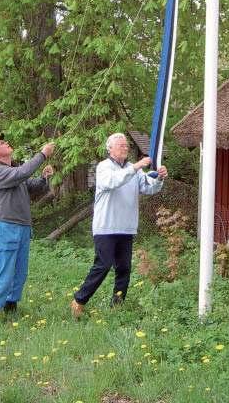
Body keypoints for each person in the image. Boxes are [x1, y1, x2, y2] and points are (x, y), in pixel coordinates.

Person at [71, 132, 167, 318]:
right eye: (121, 145)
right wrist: (136, 167)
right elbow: (112, 182)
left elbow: (149, 187)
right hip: (106, 226)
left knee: (124, 268)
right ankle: (79, 300)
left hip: (126, 227)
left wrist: (159, 178)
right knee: (103, 265)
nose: (125, 148)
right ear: (110, 149)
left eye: (126, 145)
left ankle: (117, 304)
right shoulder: (103, 167)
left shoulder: (134, 169)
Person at [0, 133, 55, 316]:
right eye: (0, 142)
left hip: (22, 229)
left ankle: (11, 307)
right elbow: (23, 172)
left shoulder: (13, 172)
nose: (6, 142)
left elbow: (34, 187)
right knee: (3, 271)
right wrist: (42, 155)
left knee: (20, 273)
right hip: (5, 229)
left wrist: (44, 178)